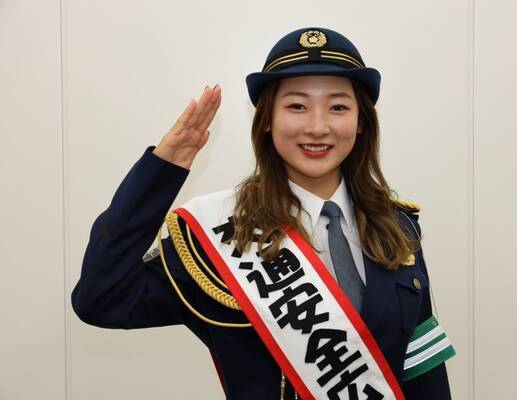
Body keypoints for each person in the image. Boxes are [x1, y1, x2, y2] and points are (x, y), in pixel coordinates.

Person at [71, 27, 455, 399]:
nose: (317, 127)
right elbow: (103, 298)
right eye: (297, 106)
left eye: (338, 107)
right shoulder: (221, 237)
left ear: (360, 123)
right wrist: (162, 171)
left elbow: (421, 368)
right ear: (268, 120)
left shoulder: (396, 226)